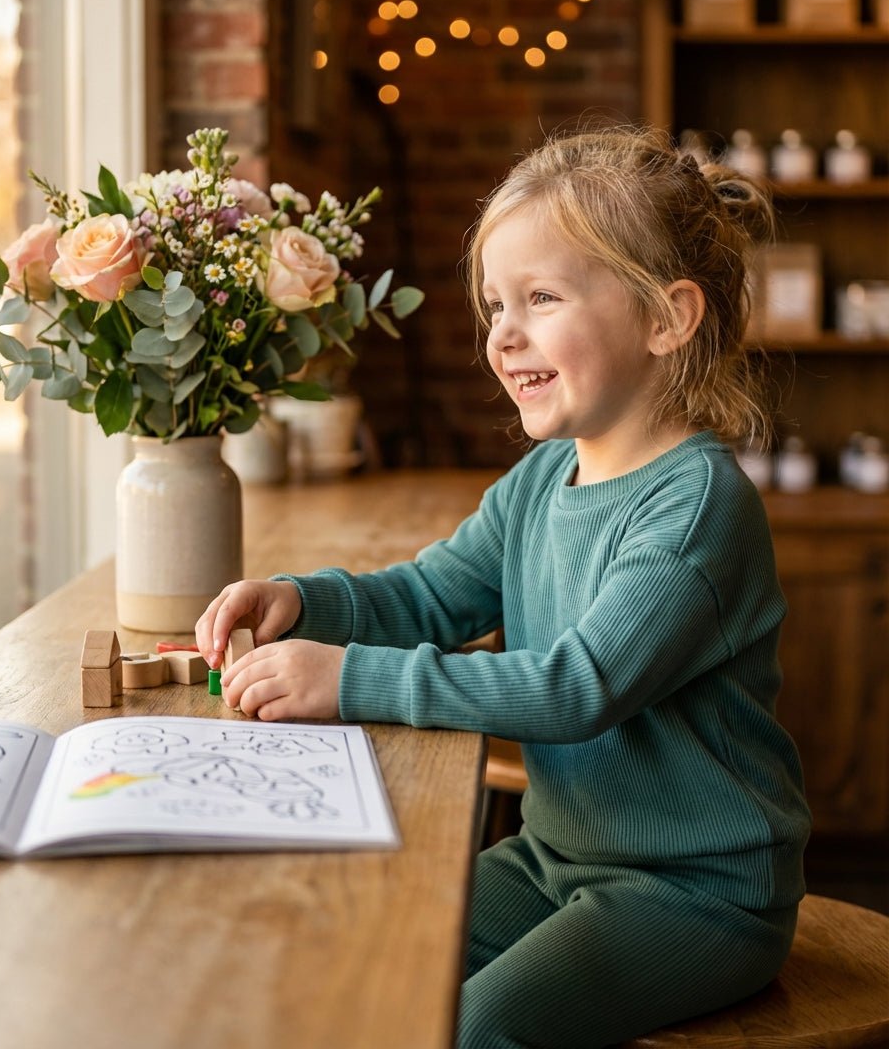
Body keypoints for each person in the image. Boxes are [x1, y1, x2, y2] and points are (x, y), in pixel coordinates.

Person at [196, 124, 811, 1049]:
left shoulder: (696, 513)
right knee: (373, 947)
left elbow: (578, 688)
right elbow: (432, 596)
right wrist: (303, 600)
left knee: (487, 1025)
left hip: (697, 891)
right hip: (552, 857)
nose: (503, 334)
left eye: (543, 297)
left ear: (665, 318)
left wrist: (349, 676)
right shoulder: (542, 478)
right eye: (495, 306)